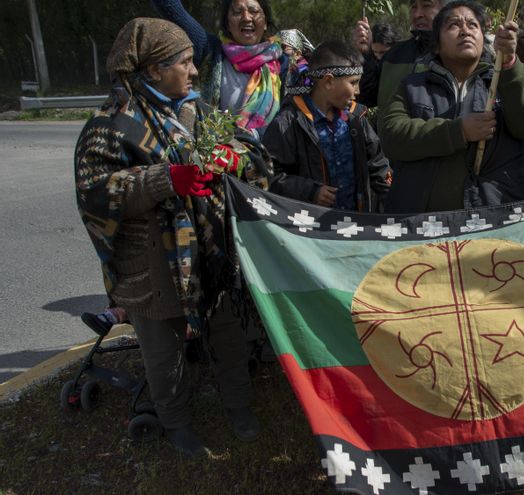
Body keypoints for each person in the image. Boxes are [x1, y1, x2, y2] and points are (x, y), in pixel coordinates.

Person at [74, 18, 272, 458]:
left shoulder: (197, 112)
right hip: (151, 265)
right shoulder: (108, 126)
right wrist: (168, 179)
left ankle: (238, 407)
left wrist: (232, 157)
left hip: (211, 254)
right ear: (152, 70)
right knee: (164, 355)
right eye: (184, 62)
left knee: (228, 336)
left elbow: (254, 154)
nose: (195, 71)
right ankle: (177, 422)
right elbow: (95, 193)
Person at [380, 0, 524, 212]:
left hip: (493, 218)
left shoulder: (504, 81)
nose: (465, 31)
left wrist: (510, 63)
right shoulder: (413, 85)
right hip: (421, 221)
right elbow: (391, 137)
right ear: (437, 45)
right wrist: (458, 131)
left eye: (472, 25)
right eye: (453, 25)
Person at [262, 41, 392, 212]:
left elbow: (378, 165)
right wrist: (310, 192)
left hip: (355, 223)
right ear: (328, 81)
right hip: (309, 230)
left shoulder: (356, 119)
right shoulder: (288, 123)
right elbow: (268, 176)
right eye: (353, 83)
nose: (358, 91)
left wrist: (395, 197)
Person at [151, 0, 288, 133]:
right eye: (237, 12)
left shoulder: (283, 64)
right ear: (227, 24)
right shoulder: (212, 51)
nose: (246, 17)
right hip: (215, 152)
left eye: (254, 11)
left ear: (265, 23)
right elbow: (169, 6)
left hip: (267, 154)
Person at [355, 0, 448, 110]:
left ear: (445, 9)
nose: (418, 14)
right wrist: (367, 55)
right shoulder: (393, 55)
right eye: (413, 7)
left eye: (426, 5)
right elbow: (367, 99)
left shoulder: (456, 55)